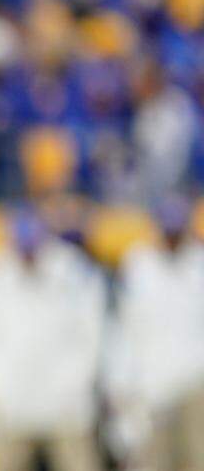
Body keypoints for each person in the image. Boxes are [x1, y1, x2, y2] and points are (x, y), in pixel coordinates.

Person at [0, 210, 107, 471]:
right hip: (15, 404)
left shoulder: (72, 270)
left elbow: (91, 333)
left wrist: (76, 385)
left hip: (66, 404)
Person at [113, 195, 204, 471]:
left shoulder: (199, 263)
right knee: (153, 461)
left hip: (196, 379)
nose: (172, 239)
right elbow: (127, 328)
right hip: (154, 383)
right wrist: (122, 381)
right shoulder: (138, 265)